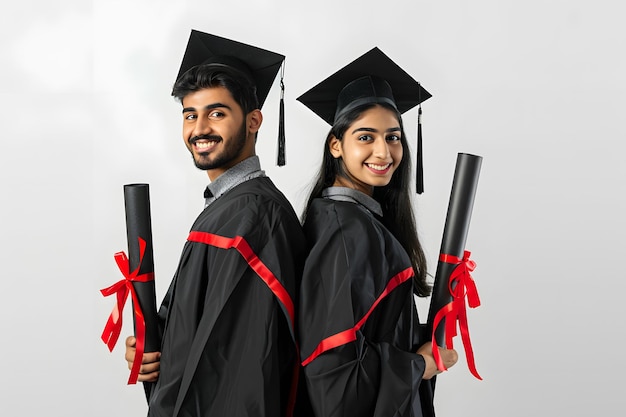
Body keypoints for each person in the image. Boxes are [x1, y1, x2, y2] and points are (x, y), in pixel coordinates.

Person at [123, 30, 308, 417]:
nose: (199, 128)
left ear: (254, 120)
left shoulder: (251, 216)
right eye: (190, 114)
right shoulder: (230, 207)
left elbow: (238, 366)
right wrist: (157, 347)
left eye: (217, 113)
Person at [295, 47, 459, 416]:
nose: (384, 152)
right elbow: (333, 373)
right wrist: (419, 365)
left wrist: (421, 341)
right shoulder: (348, 229)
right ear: (336, 144)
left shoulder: (343, 216)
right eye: (366, 137)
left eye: (393, 136)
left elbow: (371, 331)